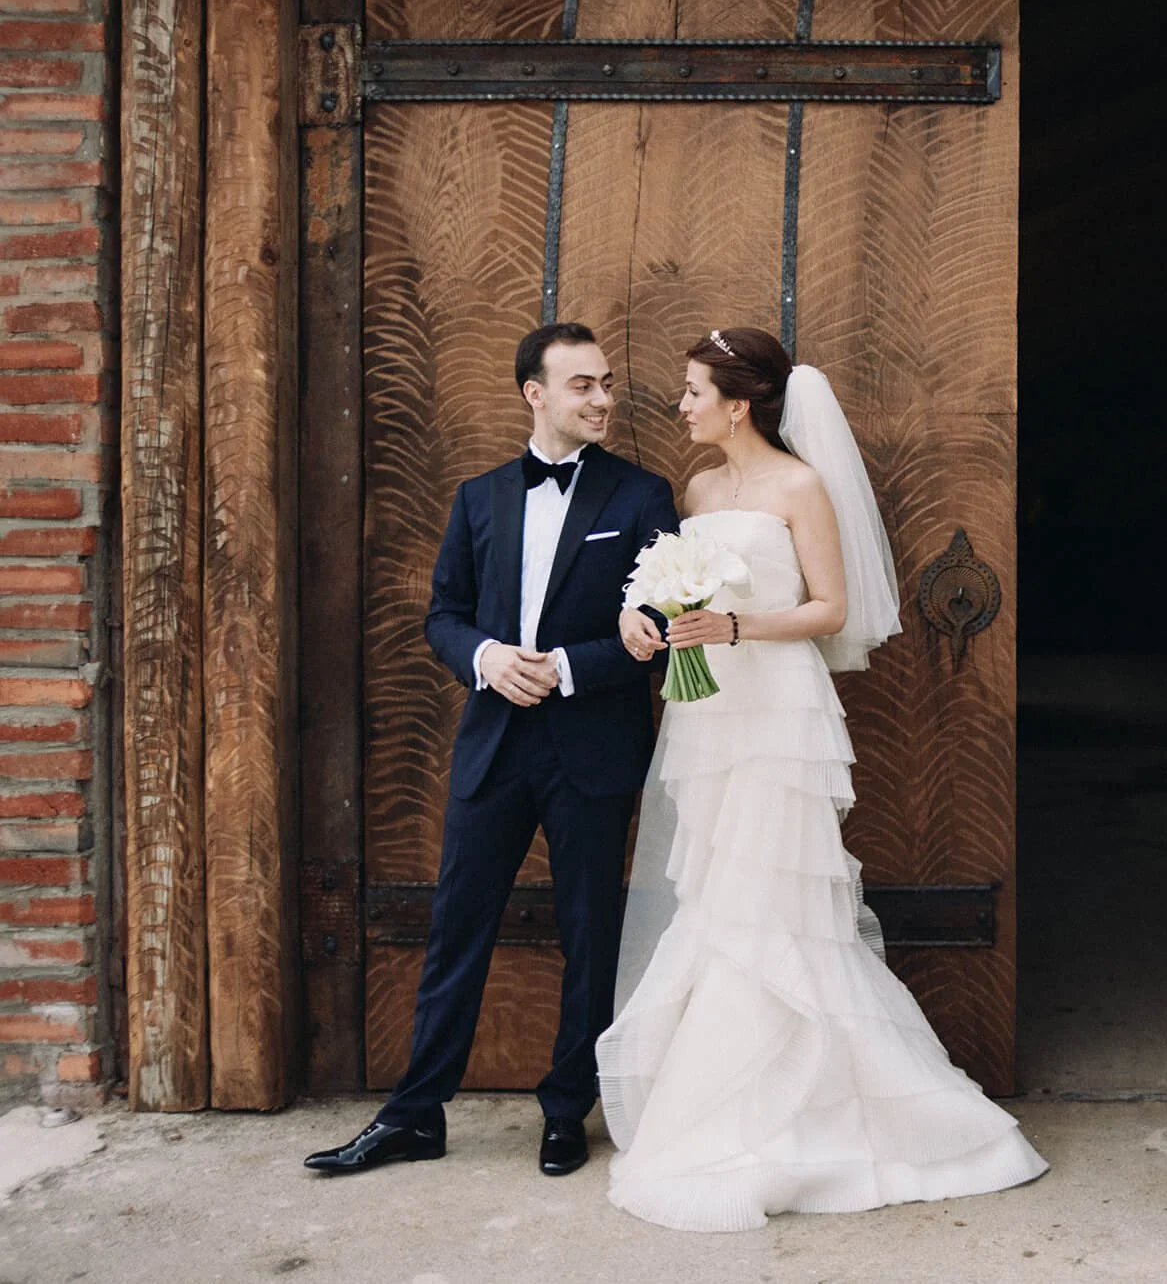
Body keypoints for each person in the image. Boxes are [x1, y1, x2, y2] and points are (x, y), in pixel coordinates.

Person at [595, 327, 1047, 1230]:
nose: (681, 406)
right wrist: (642, 616)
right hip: (710, 712)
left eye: (693, 392)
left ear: (739, 403)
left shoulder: (800, 485)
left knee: (773, 900)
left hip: (778, 711)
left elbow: (831, 608)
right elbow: (671, 589)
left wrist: (736, 628)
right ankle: (722, 1098)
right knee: (716, 891)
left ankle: (815, 1112)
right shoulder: (698, 489)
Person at [306, 322, 680, 1178]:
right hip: (494, 745)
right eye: (583, 384)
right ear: (534, 393)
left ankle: (566, 1109)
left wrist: (567, 668)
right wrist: (484, 658)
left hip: (592, 745)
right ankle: (414, 1115)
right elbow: (443, 614)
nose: (603, 397)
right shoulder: (479, 497)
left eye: (606, 382)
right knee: (456, 927)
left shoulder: (642, 496)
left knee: (591, 931)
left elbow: (661, 619)